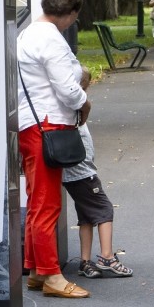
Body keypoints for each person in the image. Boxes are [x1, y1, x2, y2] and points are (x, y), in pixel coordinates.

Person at [18, 0, 91, 299]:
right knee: (47, 204)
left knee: (36, 201)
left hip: (30, 125)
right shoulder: (51, 39)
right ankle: (51, 276)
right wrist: (84, 102)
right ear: (72, 13)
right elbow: (67, 88)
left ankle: (35, 267)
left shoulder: (29, 33)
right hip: (48, 125)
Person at [62, 67, 133, 279]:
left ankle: (85, 262)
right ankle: (107, 257)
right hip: (82, 172)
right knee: (104, 209)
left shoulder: (66, 106)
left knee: (86, 216)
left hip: (74, 173)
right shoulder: (76, 107)